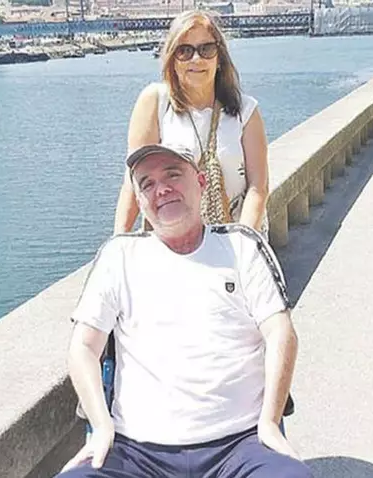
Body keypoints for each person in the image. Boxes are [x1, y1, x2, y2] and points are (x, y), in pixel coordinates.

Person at [58, 143, 311, 478]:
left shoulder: (242, 247)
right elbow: (83, 347)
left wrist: (269, 422)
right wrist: (101, 427)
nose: (161, 189)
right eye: (147, 184)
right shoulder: (119, 257)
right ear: (139, 201)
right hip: (135, 450)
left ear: (201, 182)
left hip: (240, 443)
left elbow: (280, 332)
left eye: (173, 175)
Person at [113, 10, 271, 236]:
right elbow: (134, 181)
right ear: (172, 61)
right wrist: (119, 240)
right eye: (184, 51)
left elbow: (258, 187)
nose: (197, 59)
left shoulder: (246, 111)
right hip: (171, 243)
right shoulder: (155, 102)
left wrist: (243, 241)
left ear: (219, 58)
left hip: (234, 238)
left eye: (206, 49)